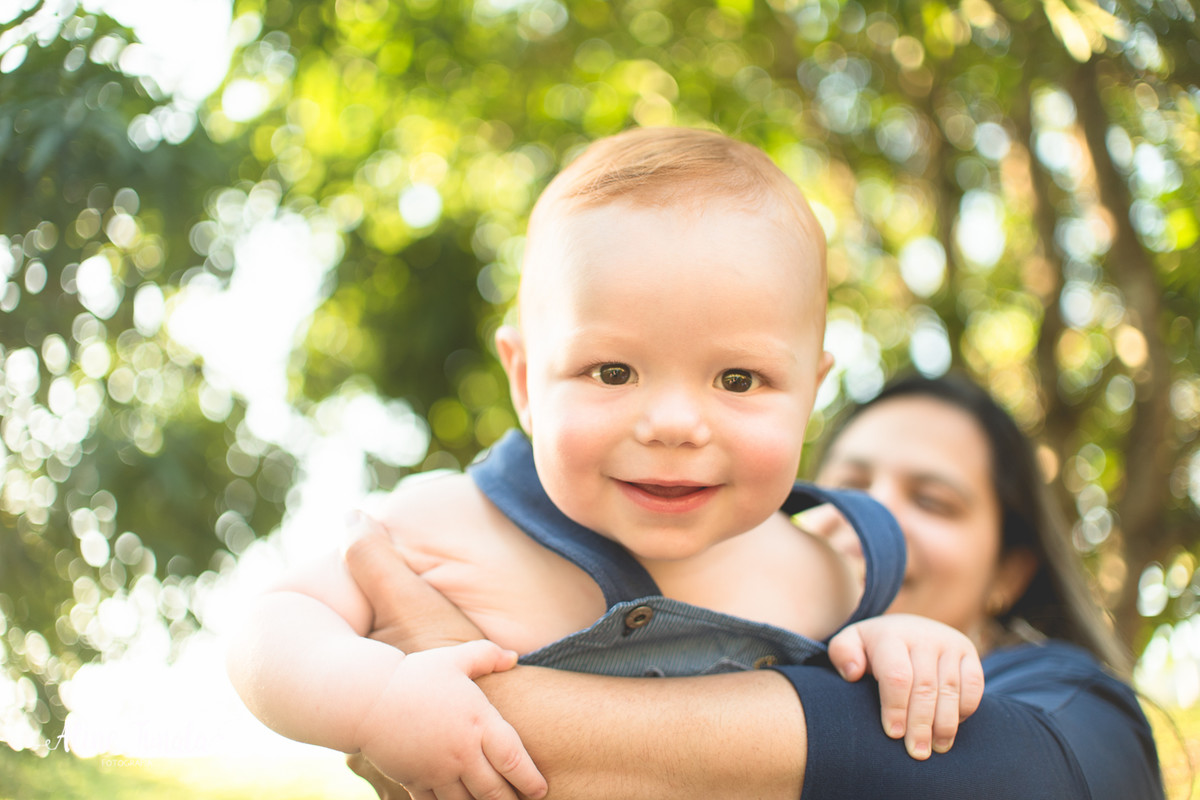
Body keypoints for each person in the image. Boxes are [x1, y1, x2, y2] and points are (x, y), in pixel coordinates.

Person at [226, 128, 986, 800]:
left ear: (811, 394)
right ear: (525, 383)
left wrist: (903, 651)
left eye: (738, 379)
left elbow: (866, 740)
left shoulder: (828, 571)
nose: (675, 424)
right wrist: (378, 699)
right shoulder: (447, 523)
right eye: (614, 372)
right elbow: (270, 630)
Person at [344, 373, 1166, 800]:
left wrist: (451, 693)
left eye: (934, 500)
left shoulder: (1072, 704)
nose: (874, 515)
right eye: (851, 484)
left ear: (1010, 569)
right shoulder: (725, 645)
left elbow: (1023, 784)